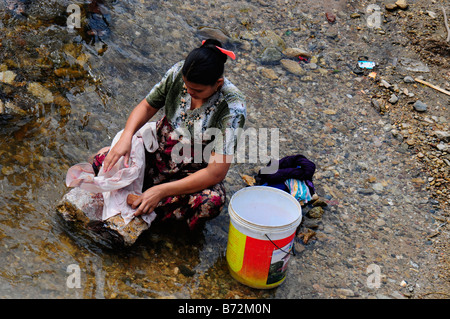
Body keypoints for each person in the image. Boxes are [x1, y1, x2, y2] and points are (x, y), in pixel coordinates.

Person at [99, 39, 246, 231]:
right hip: (159, 151)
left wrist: (161, 191)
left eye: (198, 91)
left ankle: (147, 209)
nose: (189, 92)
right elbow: (147, 106)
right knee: (104, 160)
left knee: (211, 202)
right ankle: (146, 207)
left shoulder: (233, 107)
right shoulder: (177, 73)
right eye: (187, 86)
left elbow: (215, 172)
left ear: (218, 84)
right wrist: (127, 136)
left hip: (191, 173)